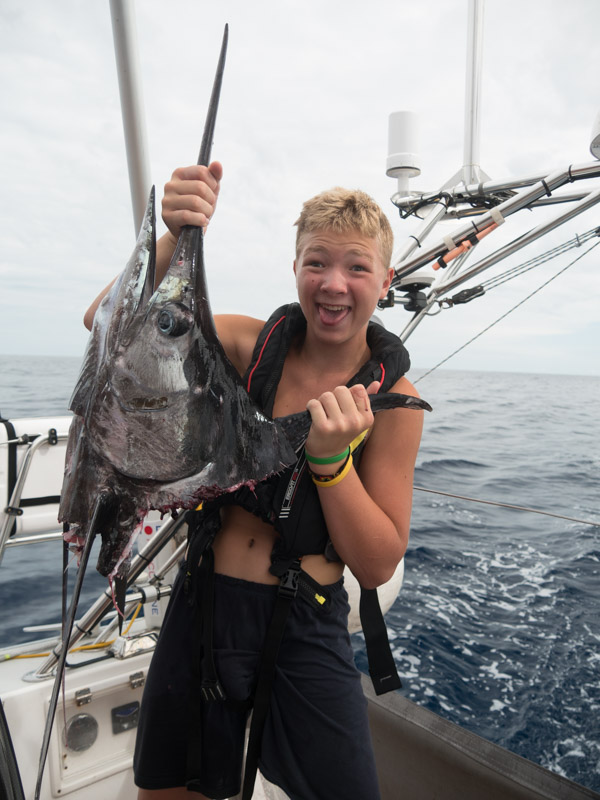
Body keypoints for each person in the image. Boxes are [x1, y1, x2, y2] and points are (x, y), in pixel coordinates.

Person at [85, 162, 424, 800]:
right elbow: (104, 327)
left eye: (356, 267)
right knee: (166, 789)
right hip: (201, 604)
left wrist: (331, 463)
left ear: (385, 279)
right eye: (316, 263)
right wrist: (172, 234)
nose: (333, 283)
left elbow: (376, 563)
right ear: (295, 268)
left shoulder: (396, 405)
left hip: (306, 621)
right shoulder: (248, 343)